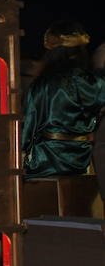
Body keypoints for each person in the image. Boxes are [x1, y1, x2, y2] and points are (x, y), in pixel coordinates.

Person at [22, 20, 105, 178]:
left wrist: (22, 150)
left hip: (48, 159)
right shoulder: (93, 82)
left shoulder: (43, 83)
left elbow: (29, 124)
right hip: (84, 157)